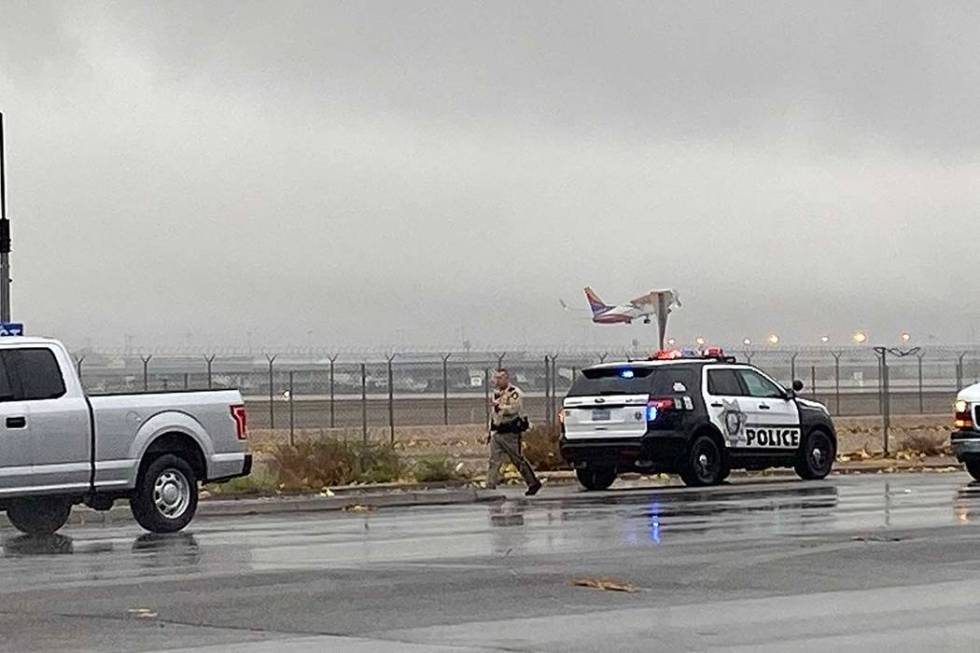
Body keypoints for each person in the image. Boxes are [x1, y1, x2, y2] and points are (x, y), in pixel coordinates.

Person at [486, 368, 542, 496]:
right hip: (498, 432)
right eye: (496, 378)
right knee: (493, 461)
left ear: (507, 378)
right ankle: (490, 487)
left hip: (510, 432)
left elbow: (514, 409)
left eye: (500, 378)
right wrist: (490, 430)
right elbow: (494, 415)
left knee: (518, 460)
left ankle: (533, 482)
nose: (497, 381)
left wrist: (499, 406)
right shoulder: (496, 393)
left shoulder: (514, 392)